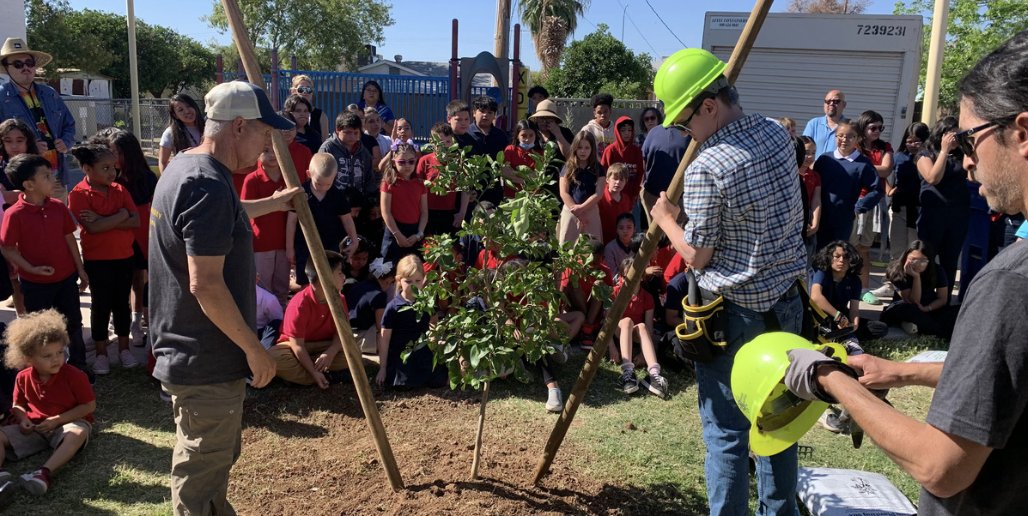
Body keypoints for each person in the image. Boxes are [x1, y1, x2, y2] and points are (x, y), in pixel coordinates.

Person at [784, 30, 1028, 514]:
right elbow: (1006, 380)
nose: (964, 158)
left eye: (967, 139)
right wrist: (899, 372)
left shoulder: (1010, 283)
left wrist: (832, 381)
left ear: (1022, 134)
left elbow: (941, 466)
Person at [649, 48, 807, 514]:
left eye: (684, 122)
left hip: (734, 314)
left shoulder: (707, 168)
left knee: (727, 434)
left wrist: (667, 219)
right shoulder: (778, 134)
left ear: (709, 106)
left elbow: (697, 253)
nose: (685, 133)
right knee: (780, 420)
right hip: (788, 301)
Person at [148, 81, 298, 515]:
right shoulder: (207, 184)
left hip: (191, 350)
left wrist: (275, 202)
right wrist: (256, 350)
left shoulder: (186, 167)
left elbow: (225, 217)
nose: (267, 145)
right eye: (263, 134)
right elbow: (206, 283)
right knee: (202, 468)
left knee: (213, 461)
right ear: (237, 127)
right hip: (204, 357)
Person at [1, 154, 89, 379]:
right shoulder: (14, 214)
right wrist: (30, 269)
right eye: (46, 176)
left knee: (73, 323)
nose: (53, 180)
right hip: (35, 285)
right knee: (41, 330)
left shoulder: (59, 207)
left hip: (66, 279)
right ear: (29, 185)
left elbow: (70, 238)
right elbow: (8, 248)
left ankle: (78, 367)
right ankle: (43, 371)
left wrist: (80, 269)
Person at [0, 309, 95, 497]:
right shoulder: (22, 377)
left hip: (67, 424)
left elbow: (89, 406)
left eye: (60, 352)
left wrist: (57, 420)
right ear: (28, 358)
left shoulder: (74, 375)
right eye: (47, 355)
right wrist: (23, 418)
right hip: (36, 427)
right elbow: (18, 405)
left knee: (79, 432)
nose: (56, 359)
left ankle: (43, 474)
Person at [68, 144, 140, 374]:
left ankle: (124, 348)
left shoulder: (120, 190)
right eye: (105, 167)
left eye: (114, 167)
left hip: (124, 257)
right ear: (87, 169)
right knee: (101, 306)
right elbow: (92, 228)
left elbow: (136, 220)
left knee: (122, 305)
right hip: (97, 260)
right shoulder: (78, 194)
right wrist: (120, 215)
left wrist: (104, 219)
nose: (112, 173)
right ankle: (100, 353)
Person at [90, 129, 159, 345]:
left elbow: (152, 208)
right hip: (119, 239)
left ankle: (140, 324)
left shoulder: (147, 177)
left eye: (115, 152)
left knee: (143, 280)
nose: (112, 158)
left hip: (145, 236)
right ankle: (126, 322)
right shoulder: (110, 179)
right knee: (126, 281)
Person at [0, 39, 75, 190]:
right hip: (22, 180)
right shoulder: (1, 98)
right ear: (7, 69)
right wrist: (30, 147)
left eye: (29, 63)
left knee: (59, 213)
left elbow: (69, 124)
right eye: (18, 64)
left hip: (55, 177)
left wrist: (66, 142)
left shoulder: (50, 93)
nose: (25, 67)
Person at [270, 251, 350, 388]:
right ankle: (323, 375)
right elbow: (297, 345)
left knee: (353, 354)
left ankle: (303, 376)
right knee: (275, 358)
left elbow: (341, 334)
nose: (344, 277)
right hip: (296, 347)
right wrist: (313, 372)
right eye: (339, 273)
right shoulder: (299, 303)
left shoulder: (339, 299)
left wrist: (330, 352)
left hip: (324, 345)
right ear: (325, 277)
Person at [916, 116, 971, 300]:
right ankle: (922, 299)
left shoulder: (961, 155)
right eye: (952, 135)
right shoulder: (925, 154)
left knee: (950, 260)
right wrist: (944, 151)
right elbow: (933, 178)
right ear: (942, 134)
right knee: (926, 258)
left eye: (958, 135)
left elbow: (973, 177)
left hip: (957, 215)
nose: (955, 139)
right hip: (933, 215)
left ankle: (944, 302)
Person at [375, 254, 447, 389]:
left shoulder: (427, 303)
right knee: (405, 382)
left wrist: (436, 342)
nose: (413, 285)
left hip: (423, 351)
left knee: (437, 379)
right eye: (408, 281)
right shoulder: (393, 307)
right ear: (399, 280)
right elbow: (384, 339)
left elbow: (433, 328)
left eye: (417, 281)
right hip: (402, 354)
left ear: (423, 280)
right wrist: (382, 367)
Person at [287, 153, 359, 287]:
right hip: (305, 245)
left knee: (331, 280)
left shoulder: (337, 194)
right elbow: (291, 221)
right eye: (319, 183)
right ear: (309, 174)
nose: (323, 187)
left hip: (330, 245)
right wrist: (289, 248)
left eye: (328, 184)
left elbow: (347, 219)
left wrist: (354, 239)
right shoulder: (301, 193)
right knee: (306, 281)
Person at [814, 121, 882, 250]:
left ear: (858, 138)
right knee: (818, 256)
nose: (844, 140)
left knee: (837, 255)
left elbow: (877, 189)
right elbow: (814, 185)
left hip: (843, 220)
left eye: (850, 136)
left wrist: (859, 206)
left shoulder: (863, 163)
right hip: (821, 218)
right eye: (840, 136)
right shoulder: (825, 159)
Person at [612, 258, 669, 399]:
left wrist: (643, 354)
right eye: (626, 277)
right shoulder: (615, 292)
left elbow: (649, 327)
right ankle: (628, 372)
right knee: (626, 321)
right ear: (621, 276)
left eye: (635, 277)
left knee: (642, 326)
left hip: (635, 333)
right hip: (618, 330)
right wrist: (611, 347)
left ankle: (654, 375)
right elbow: (607, 323)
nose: (630, 280)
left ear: (642, 278)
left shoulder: (647, 297)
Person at [241, 147, 291, 304]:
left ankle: (281, 320)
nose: (272, 155)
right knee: (263, 289)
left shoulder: (288, 178)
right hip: (261, 244)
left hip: (284, 243)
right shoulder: (252, 179)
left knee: (283, 287)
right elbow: (245, 212)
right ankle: (265, 323)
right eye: (266, 151)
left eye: (276, 150)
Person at [879, 240, 958, 338]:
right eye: (913, 259)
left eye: (923, 260)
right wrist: (916, 277)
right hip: (906, 305)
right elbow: (913, 301)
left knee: (956, 311)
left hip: (929, 304)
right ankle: (933, 329)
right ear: (905, 257)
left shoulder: (937, 270)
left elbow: (942, 298)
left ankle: (919, 326)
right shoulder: (896, 270)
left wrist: (928, 308)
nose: (917, 264)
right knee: (912, 312)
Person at [809, 240, 883, 342]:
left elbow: (854, 309)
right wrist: (837, 315)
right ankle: (837, 336)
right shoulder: (822, 273)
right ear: (829, 257)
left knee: (879, 327)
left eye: (846, 257)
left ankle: (843, 335)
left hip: (842, 318)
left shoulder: (854, 280)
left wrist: (854, 324)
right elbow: (816, 297)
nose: (841, 260)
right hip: (822, 316)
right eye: (837, 256)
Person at [0, 118, 37, 316]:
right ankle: (23, 321)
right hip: (8, 233)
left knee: (36, 276)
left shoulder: (36, 166)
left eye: (19, 140)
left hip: (34, 230)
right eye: (8, 141)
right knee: (15, 279)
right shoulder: (1, 169)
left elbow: (41, 195)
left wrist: (15, 196)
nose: (14, 146)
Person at [380, 142, 428, 263]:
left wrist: (419, 234)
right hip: (394, 231)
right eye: (402, 162)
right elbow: (386, 212)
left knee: (413, 270)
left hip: (414, 232)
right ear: (393, 162)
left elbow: (424, 212)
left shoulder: (420, 183)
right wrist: (398, 235)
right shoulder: (389, 183)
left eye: (411, 161)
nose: (407, 165)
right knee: (389, 271)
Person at [887, 122, 927, 262]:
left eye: (917, 141)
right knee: (897, 249)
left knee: (915, 249)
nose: (913, 145)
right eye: (909, 141)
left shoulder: (927, 158)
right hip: (899, 207)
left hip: (918, 209)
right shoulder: (899, 156)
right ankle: (893, 280)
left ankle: (913, 280)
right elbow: (883, 173)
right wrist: (889, 190)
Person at [557, 131, 605, 244]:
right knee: (567, 247)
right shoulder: (568, 167)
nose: (583, 151)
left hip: (590, 211)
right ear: (575, 148)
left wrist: (582, 208)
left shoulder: (598, 168)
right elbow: (563, 192)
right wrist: (576, 211)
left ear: (592, 149)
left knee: (592, 248)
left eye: (587, 148)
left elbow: (599, 194)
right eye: (580, 147)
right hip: (571, 211)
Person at [641, 111, 689, 221]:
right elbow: (643, 158)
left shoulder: (689, 133)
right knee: (654, 234)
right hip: (652, 196)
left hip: (680, 198)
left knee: (676, 234)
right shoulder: (653, 132)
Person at [320, 112, 376, 205]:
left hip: (358, 204)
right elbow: (321, 178)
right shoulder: (327, 149)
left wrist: (370, 199)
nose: (352, 136)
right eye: (348, 132)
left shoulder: (363, 151)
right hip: (333, 203)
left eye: (356, 133)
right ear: (338, 130)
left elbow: (369, 177)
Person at [419, 122, 464, 236]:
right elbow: (417, 185)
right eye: (439, 143)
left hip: (449, 213)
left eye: (448, 142)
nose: (444, 146)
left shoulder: (458, 161)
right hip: (427, 212)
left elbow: (465, 188)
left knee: (450, 249)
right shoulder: (425, 160)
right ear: (432, 143)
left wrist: (461, 213)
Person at [346, 257, 393, 355]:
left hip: (347, 333)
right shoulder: (379, 295)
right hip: (363, 337)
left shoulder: (357, 286)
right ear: (387, 281)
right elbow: (381, 326)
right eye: (389, 282)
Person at [469, 96, 509, 205]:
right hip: (470, 191)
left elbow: (506, 164)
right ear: (474, 113)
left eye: (490, 112)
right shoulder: (466, 134)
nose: (485, 115)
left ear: (494, 115)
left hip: (494, 190)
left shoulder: (501, 136)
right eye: (481, 111)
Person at [601, 116, 645, 205]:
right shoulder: (610, 150)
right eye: (623, 130)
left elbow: (640, 173)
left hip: (631, 197)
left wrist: (635, 193)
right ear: (618, 131)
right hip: (612, 197)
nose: (627, 133)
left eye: (629, 130)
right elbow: (602, 172)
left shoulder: (636, 151)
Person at [159, 94, 205, 172]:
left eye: (188, 106)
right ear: (175, 115)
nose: (187, 111)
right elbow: (163, 162)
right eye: (180, 110)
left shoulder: (208, 127)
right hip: (185, 176)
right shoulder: (170, 133)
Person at [501, 119, 542, 199]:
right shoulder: (510, 150)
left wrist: (517, 176)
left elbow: (539, 175)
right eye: (524, 136)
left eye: (531, 135)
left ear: (535, 136)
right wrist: (527, 179)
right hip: (512, 196)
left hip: (532, 196)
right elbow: (506, 172)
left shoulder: (540, 153)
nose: (527, 139)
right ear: (517, 136)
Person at [797, 136, 822, 258]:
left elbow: (816, 200)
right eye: (806, 153)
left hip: (808, 219)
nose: (810, 157)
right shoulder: (791, 173)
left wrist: (815, 223)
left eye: (813, 153)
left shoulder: (815, 176)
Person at [803, 89, 847, 157]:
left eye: (836, 101)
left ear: (844, 105)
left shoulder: (848, 127)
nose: (831, 104)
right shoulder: (813, 124)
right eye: (828, 101)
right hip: (814, 167)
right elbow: (804, 148)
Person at [598, 164, 634, 244]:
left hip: (620, 242)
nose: (618, 182)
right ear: (607, 179)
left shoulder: (626, 199)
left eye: (621, 180)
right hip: (602, 240)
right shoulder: (600, 197)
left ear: (626, 182)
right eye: (615, 179)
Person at [288, 75, 330, 139]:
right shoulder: (286, 114)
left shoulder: (321, 116)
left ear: (312, 92)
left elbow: (325, 142)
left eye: (308, 89)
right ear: (293, 91)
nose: (305, 92)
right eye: (301, 89)